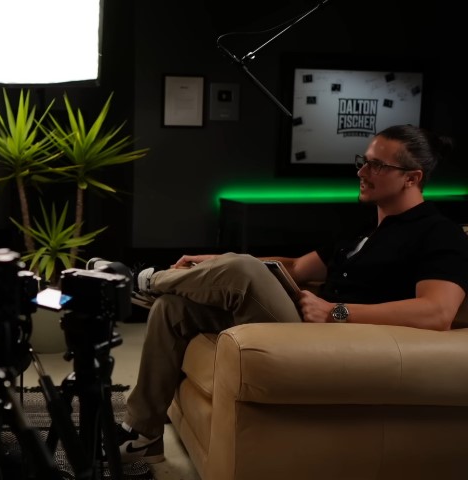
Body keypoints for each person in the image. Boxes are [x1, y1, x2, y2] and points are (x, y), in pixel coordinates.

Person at [91, 124, 468, 464]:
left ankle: (138, 282)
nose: (361, 173)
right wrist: (216, 262)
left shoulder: (439, 234)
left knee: (240, 269)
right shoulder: (363, 230)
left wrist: (338, 311)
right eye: (363, 162)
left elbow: (437, 313)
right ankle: (143, 435)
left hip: (341, 343)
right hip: (306, 326)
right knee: (174, 308)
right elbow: (296, 268)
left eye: (376, 166)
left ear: (412, 178)